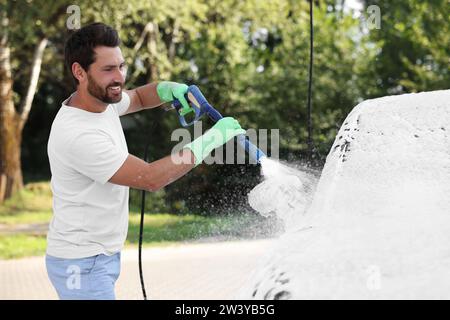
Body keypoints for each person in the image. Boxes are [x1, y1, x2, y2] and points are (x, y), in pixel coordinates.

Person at [45, 22, 245, 300]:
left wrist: (168, 89)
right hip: (81, 265)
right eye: (108, 69)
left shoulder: (101, 102)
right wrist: (211, 139)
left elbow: (138, 97)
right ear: (79, 71)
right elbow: (150, 178)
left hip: (96, 257)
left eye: (121, 66)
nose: (119, 78)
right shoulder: (78, 134)